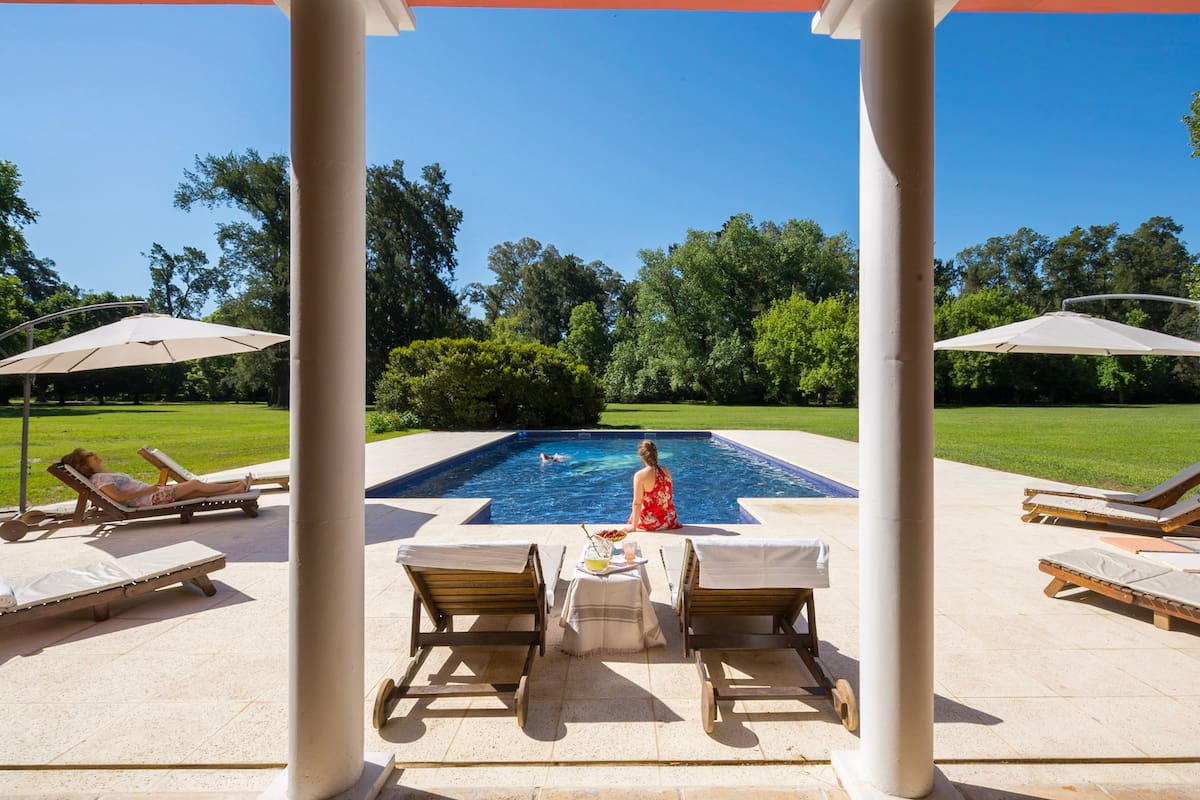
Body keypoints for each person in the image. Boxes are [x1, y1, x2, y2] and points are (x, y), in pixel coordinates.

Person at [61, 448, 251, 508]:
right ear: (84, 465)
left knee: (197, 491)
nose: (94, 454)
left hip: (153, 495)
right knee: (193, 484)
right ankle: (235, 486)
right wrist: (150, 490)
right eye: (89, 454)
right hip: (151, 498)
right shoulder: (99, 480)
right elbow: (117, 498)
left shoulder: (103, 475)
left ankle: (236, 490)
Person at [624, 439, 681, 531]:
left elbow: (637, 503)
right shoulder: (666, 471)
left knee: (633, 516)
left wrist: (633, 526)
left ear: (641, 457)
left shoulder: (640, 475)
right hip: (670, 520)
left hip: (652, 523)